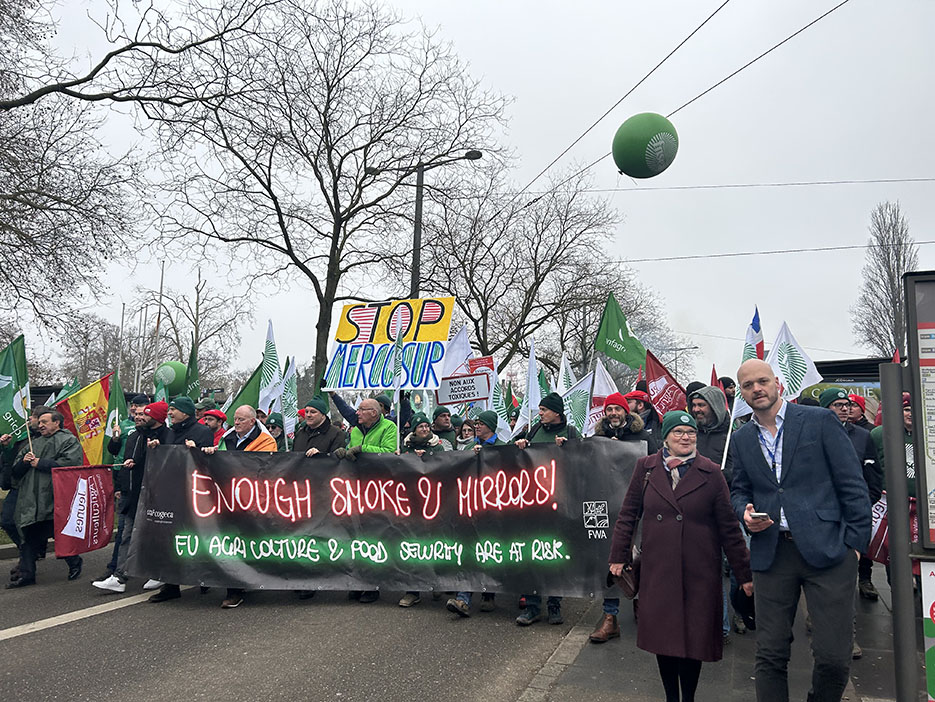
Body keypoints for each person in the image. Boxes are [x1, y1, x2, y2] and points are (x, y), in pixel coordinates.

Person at [730, 359, 871, 702]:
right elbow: (738, 489)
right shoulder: (742, 438)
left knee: (834, 658)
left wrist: (854, 546)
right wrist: (744, 511)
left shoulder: (819, 421)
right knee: (770, 654)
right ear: (742, 393)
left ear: (777, 382)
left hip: (829, 552)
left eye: (762, 381)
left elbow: (852, 484)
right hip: (772, 553)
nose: (756, 389)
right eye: (748, 386)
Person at [609, 410, 752, 702]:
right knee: (665, 639)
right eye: (678, 433)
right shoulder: (646, 468)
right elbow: (628, 515)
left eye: (691, 433)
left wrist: (744, 574)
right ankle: (671, 697)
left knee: (693, 640)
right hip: (658, 570)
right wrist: (618, 556)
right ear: (666, 437)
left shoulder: (711, 472)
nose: (686, 438)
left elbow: (729, 528)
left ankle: (688, 697)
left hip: (699, 572)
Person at [819, 387, 882, 657]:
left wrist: (861, 508)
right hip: (821, 520)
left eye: (846, 404)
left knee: (846, 580)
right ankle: (818, 625)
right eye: (837, 404)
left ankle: (847, 637)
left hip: (851, 520)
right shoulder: (812, 436)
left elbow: (873, 478)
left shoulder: (863, 437)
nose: (844, 408)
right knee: (820, 578)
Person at [589, 391, 656, 644]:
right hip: (607, 509)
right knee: (610, 562)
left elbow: (657, 465)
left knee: (641, 559)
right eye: (609, 410)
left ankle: (643, 606)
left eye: (617, 409)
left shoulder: (644, 438)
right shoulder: (597, 438)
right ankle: (610, 619)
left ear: (626, 412)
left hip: (638, 509)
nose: (613, 414)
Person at [514, 392, 579, 626]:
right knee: (531, 555)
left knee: (553, 556)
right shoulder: (533, 431)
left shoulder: (571, 433)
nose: (539, 413)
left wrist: (569, 449)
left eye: (544, 410)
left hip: (559, 504)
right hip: (532, 504)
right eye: (540, 409)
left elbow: (582, 461)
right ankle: (532, 607)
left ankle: (554, 604)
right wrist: (521, 445)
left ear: (557, 412)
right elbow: (514, 459)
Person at [202, 404, 276, 608]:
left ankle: (249, 579)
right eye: (235, 419)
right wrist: (213, 452)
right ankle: (233, 589)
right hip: (228, 497)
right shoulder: (229, 436)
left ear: (253, 421)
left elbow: (264, 467)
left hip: (252, 499)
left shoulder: (266, 440)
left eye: (241, 419)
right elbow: (223, 458)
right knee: (230, 541)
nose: (236, 423)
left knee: (248, 542)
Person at [93, 401, 171, 594]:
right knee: (126, 536)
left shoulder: (168, 437)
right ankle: (119, 577)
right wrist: (121, 485)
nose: (138, 417)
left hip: (155, 497)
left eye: (144, 414)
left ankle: (158, 572)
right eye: (137, 414)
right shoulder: (134, 436)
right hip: (131, 495)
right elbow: (125, 462)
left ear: (157, 417)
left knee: (154, 537)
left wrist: (157, 450)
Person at [148, 396, 215, 604]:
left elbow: (208, 463)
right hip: (172, 492)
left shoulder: (202, 432)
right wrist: (158, 448)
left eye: (173, 410)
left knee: (197, 538)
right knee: (171, 539)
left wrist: (196, 451)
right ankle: (171, 585)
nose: (169, 413)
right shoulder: (170, 432)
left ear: (185, 412)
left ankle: (205, 577)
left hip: (194, 494)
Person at [8, 410, 85, 588]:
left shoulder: (68, 440)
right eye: (39, 422)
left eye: (44, 422)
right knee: (27, 534)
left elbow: (71, 465)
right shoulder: (33, 443)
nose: (40, 425)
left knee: (56, 532)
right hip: (30, 497)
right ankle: (27, 574)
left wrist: (41, 463)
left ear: (56, 423)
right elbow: (15, 471)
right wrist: (24, 462)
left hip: (52, 496)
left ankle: (74, 561)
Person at [335, 398, 397, 603]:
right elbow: (352, 452)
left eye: (361, 409)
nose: (357, 413)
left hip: (380, 489)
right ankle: (357, 581)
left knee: (374, 537)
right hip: (357, 489)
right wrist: (344, 453)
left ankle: (372, 585)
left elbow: (388, 452)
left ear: (374, 412)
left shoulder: (389, 427)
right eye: (358, 409)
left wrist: (362, 449)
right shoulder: (355, 430)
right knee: (355, 536)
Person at [446, 410, 502, 617]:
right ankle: (464, 598)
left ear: (491, 425)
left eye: (481, 423)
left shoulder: (502, 445)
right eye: (475, 423)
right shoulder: (470, 446)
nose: (477, 426)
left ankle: (489, 594)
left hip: (496, 506)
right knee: (470, 550)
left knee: (491, 551)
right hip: (471, 504)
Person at [1, 406, 49, 563]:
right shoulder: (22, 437)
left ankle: (31, 554)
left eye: (34, 418)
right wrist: (7, 447)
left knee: (37, 522)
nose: (29, 420)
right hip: (18, 485)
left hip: (36, 487)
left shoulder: (47, 439)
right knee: (7, 520)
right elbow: (11, 460)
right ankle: (27, 550)